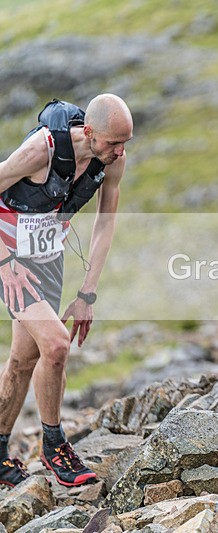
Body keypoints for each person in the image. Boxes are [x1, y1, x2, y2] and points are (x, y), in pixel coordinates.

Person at [0, 94, 133, 487]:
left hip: (48, 260)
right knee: (56, 345)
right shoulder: (42, 150)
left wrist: (87, 292)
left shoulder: (113, 160)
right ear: (89, 132)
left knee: (23, 360)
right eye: (113, 142)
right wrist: (5, 263)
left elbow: (105, 223)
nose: (120, 151)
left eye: (126, 142)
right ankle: (55, 446)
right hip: (11, 262)